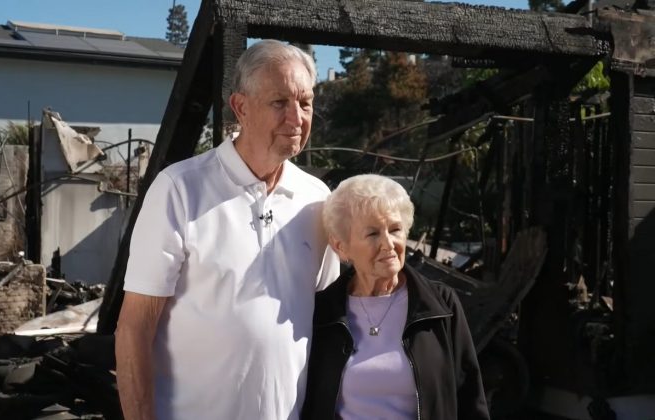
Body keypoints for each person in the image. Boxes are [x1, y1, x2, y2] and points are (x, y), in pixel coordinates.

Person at [115, 39, 339, 420]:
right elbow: (133, 329)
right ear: (241, 107)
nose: (297, 118)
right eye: (279, 102)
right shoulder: (180, 189)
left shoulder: (317, 199)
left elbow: (328, 320)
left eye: (305, 102)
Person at [301, 174, 490, 420]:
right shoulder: (323, 313)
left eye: (395, 229)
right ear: (341, 247)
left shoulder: (440, 305)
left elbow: (470, 397)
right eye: (372, 234)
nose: (388, 244)